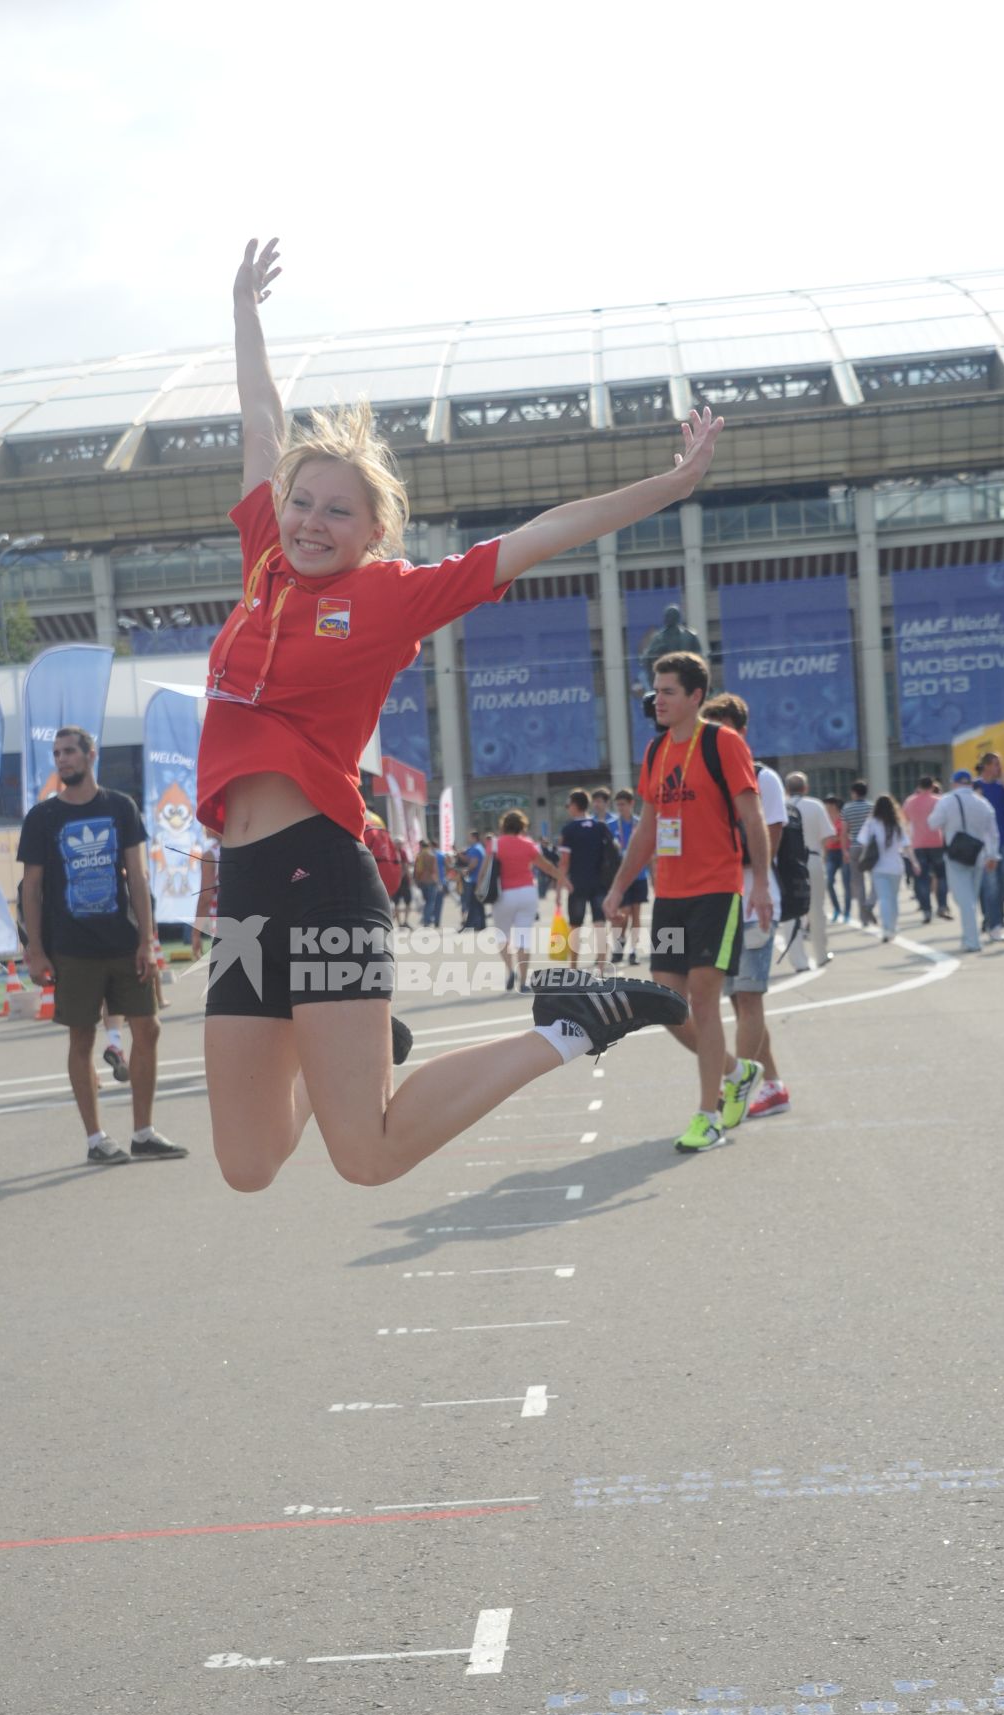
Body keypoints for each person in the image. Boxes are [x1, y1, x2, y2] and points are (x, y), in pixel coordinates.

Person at [197, 237, 711, 1192]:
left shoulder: (391, 596)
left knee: (370, 1154)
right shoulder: (265, 561)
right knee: (248, 1163)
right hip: (244, 882)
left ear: (374, 530)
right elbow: (260, 420)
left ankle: (569, 1025)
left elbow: (543, 533)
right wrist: (244, 308)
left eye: (337, 512)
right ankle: (359, 1045)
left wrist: (669, 486)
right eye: (302, 502)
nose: (311, 520)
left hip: (319, 876)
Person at [603, 654, 773, 1153]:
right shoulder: (656, 752)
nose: (658, 698)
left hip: (717, 891)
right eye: (655, 690)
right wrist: (617, 887)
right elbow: (648, 830)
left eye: (669, 690)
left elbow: (752, 814)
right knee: (667, 1005)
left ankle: (708, 1115)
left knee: (702, 999)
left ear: (696, 697)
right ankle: (737, 1072)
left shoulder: (723, 744)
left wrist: (760, 881)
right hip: (670, 895)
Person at [18, 726, 188, 1165]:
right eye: (56, 754)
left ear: (90, 755)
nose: (62, 760)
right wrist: (35, 950)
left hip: (123, 941)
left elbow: (139, 877)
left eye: (70, 752)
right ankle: (96, 1140)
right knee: (82, 1037)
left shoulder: (120, 807)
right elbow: (31, 888)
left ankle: (143, 1132)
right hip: (71, 948)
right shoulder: (42, 818)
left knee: (148, 1028)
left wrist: (147, 941)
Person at [701, 694, 789, 1119]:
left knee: (748, 1000)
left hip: (755, 903)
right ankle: (771, 1084)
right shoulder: (708, 778)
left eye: (724, 729)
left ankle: (731, 1091)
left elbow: (768, 843)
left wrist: (717, 851)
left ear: (742, 732)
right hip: (720, 903)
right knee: (739, 1003)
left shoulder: (762, 778)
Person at [927, 771, 999, 955]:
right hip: (978, 855)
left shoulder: (947, 800)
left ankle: (972, 941)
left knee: (964, 900)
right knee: (971, 899)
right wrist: (992, 855)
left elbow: (933, 823)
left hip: (956, 854)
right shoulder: (982, 802)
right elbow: (992, 831)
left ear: (954, 783)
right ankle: (968, 937)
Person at [494, 809, 564, 990]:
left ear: (503, 826)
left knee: (503, 936)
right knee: (523, 937)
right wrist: (563, 879)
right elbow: (546, 866)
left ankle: (510, 971)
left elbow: (485, 871)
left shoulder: (495, 845)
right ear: (522, 826)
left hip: (504, 894)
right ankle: (523, 981)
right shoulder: (528, 844)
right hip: (527, 892)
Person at [558, 789, 618, 973]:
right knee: (600, 924)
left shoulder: (568, 830)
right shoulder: (600, 826)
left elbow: (564, 861)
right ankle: (602, 964)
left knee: (575, 925)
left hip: (577, 883)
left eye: (568, 805)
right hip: (600, 882)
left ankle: (574, 968)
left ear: (575, 806)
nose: (568, 808)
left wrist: (560, 887)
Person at [785, 771, 833, 969]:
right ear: (806, 787)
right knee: (817, 909)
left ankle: (798, 961)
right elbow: (828, 837)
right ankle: (821, 954)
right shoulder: (815, 805)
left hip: (787, 863)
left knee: (790, 912)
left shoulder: (782, 805)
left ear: (787, 789)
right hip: (813, 858)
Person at [855, 794, 920, 941]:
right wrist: (914, 862)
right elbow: (907, 846)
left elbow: (862, 842)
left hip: (878, 867)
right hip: (896, 866)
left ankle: (886, 929)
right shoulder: (896, 824)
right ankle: (893, 926)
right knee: (893, 898)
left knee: (884, 899)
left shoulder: (871, 823)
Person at [974, 750, 1004, 941]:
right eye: (996, 764)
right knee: (991, 885)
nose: (999, 768)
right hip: (985, 844)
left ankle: (993, 915)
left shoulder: (1002, 787)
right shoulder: (976, 786)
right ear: (986, 765)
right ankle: (993, 923)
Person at [901, 775, 951, 923]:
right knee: (941, 876)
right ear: (932, 786)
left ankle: (926, 910)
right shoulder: (939, 801)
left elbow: (905, 821)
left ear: (919, 787)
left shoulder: (910, 802)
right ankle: (942, 905)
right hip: (937, 842)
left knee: (921, 879)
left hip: (918, 843)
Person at [609, 788, 647, 965]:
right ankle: (620, 941)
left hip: (639, 876)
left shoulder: (640, 823)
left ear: (632, 804)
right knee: (623, 913)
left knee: (637, 914)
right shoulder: (611, 825)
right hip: (622, 876)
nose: (620, 808)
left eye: (623, 805)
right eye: (618, 805)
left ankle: (633, 951)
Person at [841, 780, 875, 927]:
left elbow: (843, 832)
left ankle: (863, 918)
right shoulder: (872, 807)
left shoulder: (847, 809)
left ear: (854, 792)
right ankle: (870, 904)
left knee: (859, 883)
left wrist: (844, 850)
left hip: (854, 847)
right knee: (876, 880)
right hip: (870, 848)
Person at [822, 793, 849, 923]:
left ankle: (847, 912)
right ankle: (837, 908)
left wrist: (836, 838)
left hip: (842, 851)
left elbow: (846, 833)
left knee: (846, 883)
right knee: (829, 882)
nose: (825, 806)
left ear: (833, 805)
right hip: (831, 853)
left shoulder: (842, 816)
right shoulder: (824, 818)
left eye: (827, 803)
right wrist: (824, 854)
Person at [413, 838, 440, 928]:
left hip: (422, 881)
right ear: (428, 846)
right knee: (430, 902)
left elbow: (416, 870)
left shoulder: (419, 856)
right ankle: (426, 920)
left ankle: (425, 919)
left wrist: (416, 880)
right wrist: (437, 880)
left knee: (425, 901)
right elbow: (434, 870)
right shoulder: (432, 856)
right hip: (431, 880)